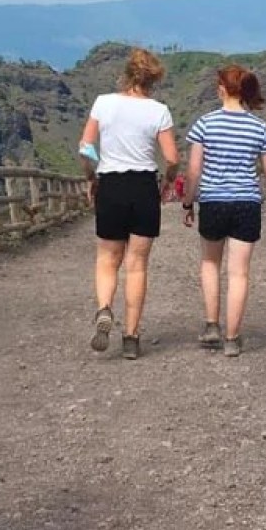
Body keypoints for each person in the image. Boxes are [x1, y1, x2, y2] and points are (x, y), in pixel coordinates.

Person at [79, 48, 180, 360]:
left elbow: (86, 147)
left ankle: (105, 308)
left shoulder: (103, 103)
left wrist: (91, 176)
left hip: (111, 184)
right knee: (136, 265)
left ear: (126, 74)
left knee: (108, 259)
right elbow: (173, 158)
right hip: (143, 188)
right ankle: (132, 338)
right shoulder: (159, 111)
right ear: (154, 79)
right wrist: (166, 182)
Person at [182, 65, 266, 357]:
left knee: (210, 263)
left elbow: (194, 172)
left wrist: (188, 202)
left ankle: (212, 325)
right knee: (239, 274)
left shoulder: (204, 124)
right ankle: (233, 339)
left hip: (213, 201)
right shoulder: (259, 127)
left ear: (222, 88)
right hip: (247, 203)